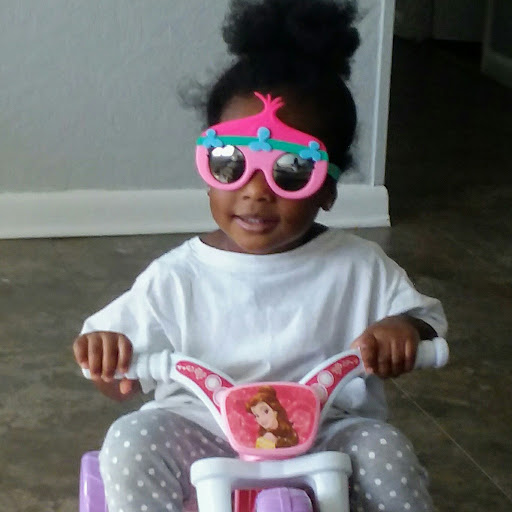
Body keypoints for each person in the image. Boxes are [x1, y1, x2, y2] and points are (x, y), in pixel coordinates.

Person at [73, 1, 448, 511]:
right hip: (202, 432)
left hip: (328, 432)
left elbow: (426, 322)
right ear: (208, 170)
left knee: (387, 453)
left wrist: (403, 331)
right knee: (130, 440)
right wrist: (108, 356)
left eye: (290, 170)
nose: (255, 190)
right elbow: (118, 366)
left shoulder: (360, 268)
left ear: (328, 189)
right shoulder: (177, 278)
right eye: (230, 163)